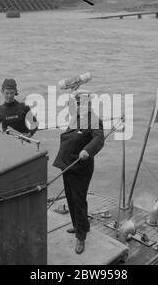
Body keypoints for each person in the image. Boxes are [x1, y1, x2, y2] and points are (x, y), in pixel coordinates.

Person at [53, 91, 104, 254]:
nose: (81, 105)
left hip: (80, 166)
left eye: (84, 102)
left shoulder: (94, 119)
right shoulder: (76, 115)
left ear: (89, 103)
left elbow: (99, 139)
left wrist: (87, 150)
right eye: (78, 102)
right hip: (67, 164)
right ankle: (79, 225)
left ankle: (81, 237)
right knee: (69, 197)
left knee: (79, 200)